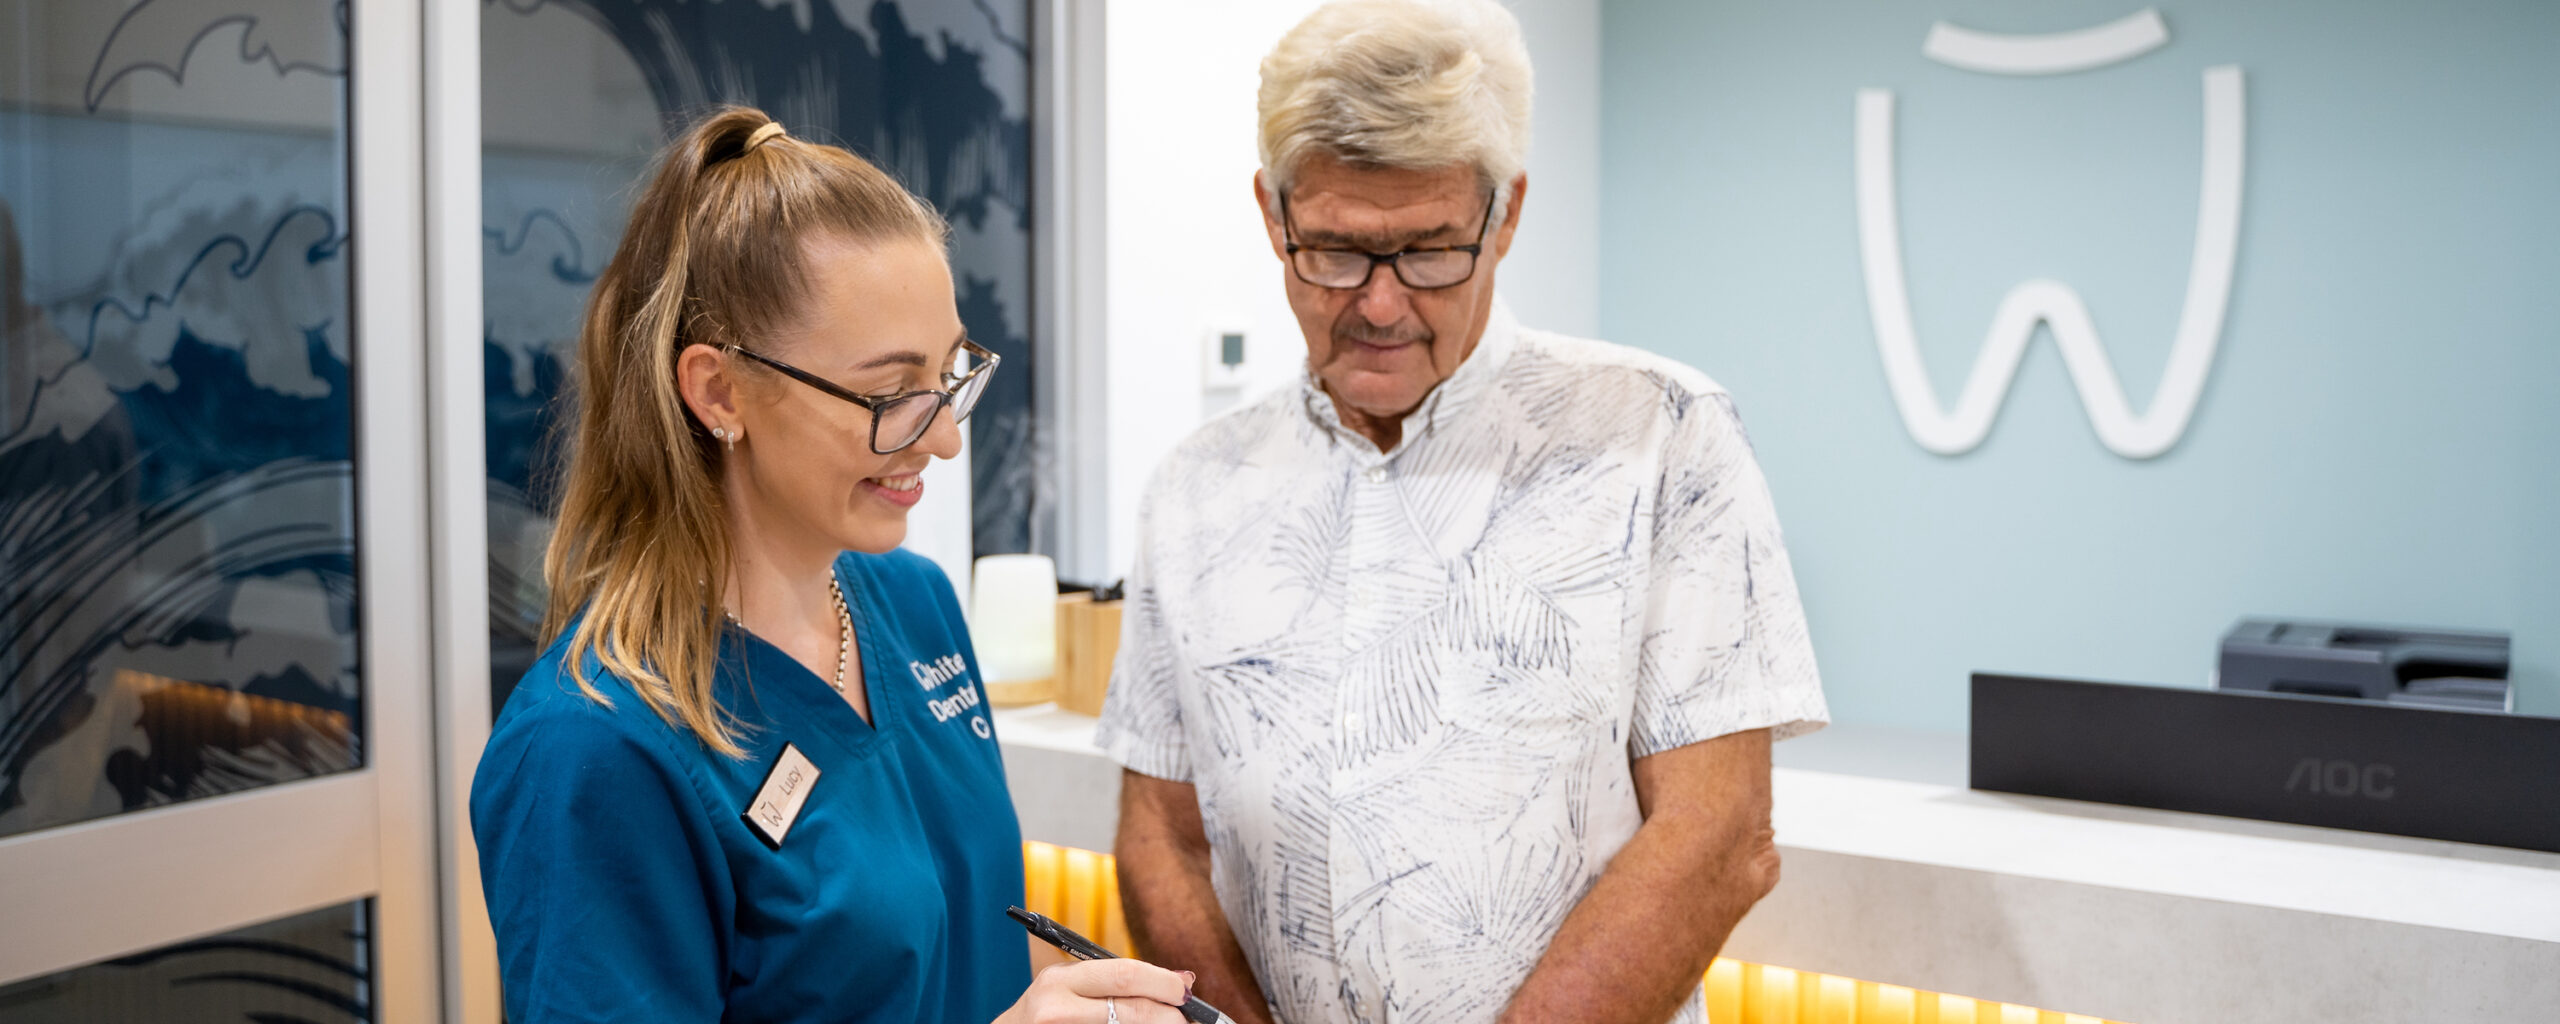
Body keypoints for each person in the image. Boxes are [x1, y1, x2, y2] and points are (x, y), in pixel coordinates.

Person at [1096, 3, 1831, 1023]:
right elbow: (1160, 833)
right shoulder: (1196, 484)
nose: (1383, 303)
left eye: (1432, 251)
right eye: (1337, 252)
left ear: (1506, 215)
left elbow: (1719, 836)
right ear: (1274, 217)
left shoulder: (1658, 434)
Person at [470, 107, 1194, 1024]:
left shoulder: (913, 605)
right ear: (719, 390)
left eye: (949, 378)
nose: (940, 440)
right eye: (891, 395)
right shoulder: (594, 748)